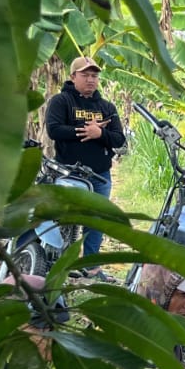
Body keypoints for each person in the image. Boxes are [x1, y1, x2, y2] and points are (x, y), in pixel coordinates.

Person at [44, 56, 125, 258]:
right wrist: (84, 130)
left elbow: (118, 139)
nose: (91, 80)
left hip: (100, 176)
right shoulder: (61, 101)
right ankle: (57, 261)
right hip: (69, 173)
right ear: (73, 77)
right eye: (85, 75)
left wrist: (100, 134)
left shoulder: (107, 107)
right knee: (65, 220)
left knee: (96, 221)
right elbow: (54, 130)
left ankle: (90, 265)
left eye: (94, 76)